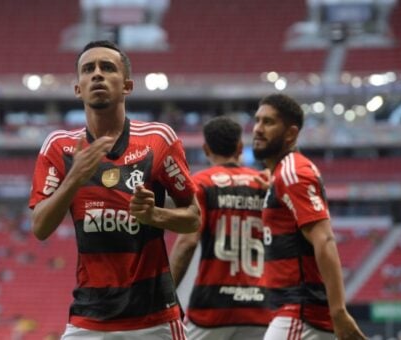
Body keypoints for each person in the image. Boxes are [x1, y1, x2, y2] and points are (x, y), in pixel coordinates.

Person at [28, 40, 201, 340]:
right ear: (78, 88)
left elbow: (193, 218)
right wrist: (74, 179)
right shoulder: (58, 146)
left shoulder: (158, 140)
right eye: (88, 69)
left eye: (107, 68)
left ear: (127, 86)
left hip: (155, 319)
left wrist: (155, 215)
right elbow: (41, 228)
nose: (97, 74)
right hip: (88, 319)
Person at [252, 93, 367, 340]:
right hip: (297, 312)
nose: (258, 129)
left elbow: (324, 240)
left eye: (269, 122)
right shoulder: (283, 173)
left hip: (300, 312)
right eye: (257, 120)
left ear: (291, 134)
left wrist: (338, 312)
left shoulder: (292, 173)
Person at [169, 116, 271, 340]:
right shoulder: (265, 184)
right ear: (240, 147)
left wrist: (166, 294)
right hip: (261, 305)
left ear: (206, 149)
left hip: (212, 307)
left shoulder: (201, 183)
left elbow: (187, 242)